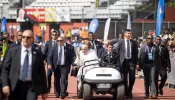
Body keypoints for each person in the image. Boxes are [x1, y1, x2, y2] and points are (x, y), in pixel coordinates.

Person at [1, 30, 48, 100]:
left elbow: (42, 72)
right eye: (23, 37)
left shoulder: (37, 53)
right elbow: (5, 69)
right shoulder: (13, 51)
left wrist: (45, 91)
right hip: (15, 85)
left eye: (28, 37)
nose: (25, 39)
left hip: (31, 87)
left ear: (33, 39)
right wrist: (5, 84)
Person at [116, 29, 138, 99]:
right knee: (124, 78)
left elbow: (136, 53)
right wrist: (118, 62)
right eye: (128, 33)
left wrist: (137, 63)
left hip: (131, 62)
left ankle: (130, 90)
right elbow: (117, 52)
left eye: (130, 33)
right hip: (124, 62)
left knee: (132, 77)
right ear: (125, 34)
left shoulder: (133, 42)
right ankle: (126, 92)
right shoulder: (120, 42)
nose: (130, 34)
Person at [138, 34, 160, 99]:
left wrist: (158, 67)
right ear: (146, 39)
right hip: (145, 64)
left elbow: (158, 58)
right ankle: (146, 93)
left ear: (153, 39)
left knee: (152, 79)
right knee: (146, 80)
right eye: (148, 38)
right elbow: (139, 56)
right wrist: (138, 64)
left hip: (153, 65)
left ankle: (153, 93)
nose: (150, 40)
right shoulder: (143, 46)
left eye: (151, 38)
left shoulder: (156, 47)